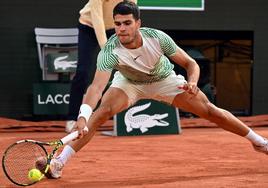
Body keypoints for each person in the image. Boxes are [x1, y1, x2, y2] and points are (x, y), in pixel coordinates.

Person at [44, 1, 268, 178]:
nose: (121, 29)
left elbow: (191, 64)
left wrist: (192, 82)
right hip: (129, 83)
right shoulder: (110, 51)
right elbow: (96, 87)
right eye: (118, 23)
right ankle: (58, 162)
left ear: (138, 23)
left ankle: (260, 142)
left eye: (127, 23)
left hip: (164, 80)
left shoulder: (158, 38)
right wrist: (82, 116)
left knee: (210, 111)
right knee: (101, 112)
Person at [66, 0, 137, 133]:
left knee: (128, 68)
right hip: (89, 26)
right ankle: (73, 118)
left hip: (115, 27)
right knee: (83, 72)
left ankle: (124, 119)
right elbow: (97, 18)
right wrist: (106, 49)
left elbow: (132, 14)